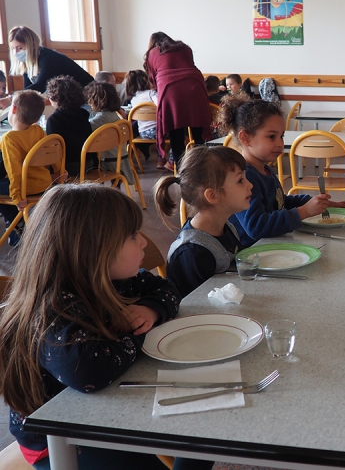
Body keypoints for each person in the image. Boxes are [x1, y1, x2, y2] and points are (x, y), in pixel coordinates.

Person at [0, 184, 213, 470]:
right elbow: (91, 372)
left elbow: (166, 287)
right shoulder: (52, 311)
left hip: (104, 412)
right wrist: (141, 332)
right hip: (63, 440)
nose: (144, 244)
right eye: (133, 236)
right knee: (202, 434)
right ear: (93, 249)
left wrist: (150, 309)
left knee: (205, 423)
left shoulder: (108, 279)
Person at [217, 92, 345, 247]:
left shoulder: (264, 170)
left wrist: (318, 204)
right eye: (272, 137)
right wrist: (304, 212)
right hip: (250, 254)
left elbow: (279, 203)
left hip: (269, 245)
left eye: (282, 136)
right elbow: (256, 227)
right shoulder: (245, 177)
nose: (280, 143)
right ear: (245, 138)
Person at [154, 146, 251, 298]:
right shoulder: (192, 252)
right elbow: (197, 308)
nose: (250, 185)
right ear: (212, 195)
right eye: (240, 180)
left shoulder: (226, 226)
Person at [143, 32, 211, 169]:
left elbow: (153, 77)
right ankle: (201, 169)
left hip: (170, 89)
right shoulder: (184, 47)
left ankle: (180, 170)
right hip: (195, 86)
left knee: (175, 130)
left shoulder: (153, 52)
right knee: (197, 131)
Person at [0, 26, 93, 108]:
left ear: (32, 45)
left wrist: (10, 99)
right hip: (71, 102)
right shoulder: (26, 64)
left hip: (88, 99)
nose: (16, 52)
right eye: (13, 48)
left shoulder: (48, 58)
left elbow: (40, 85)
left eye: (20, 48)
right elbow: (28, 90)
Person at [0, 91, 49, 246]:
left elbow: (14, 173)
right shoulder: (38, 130)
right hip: (45, 183)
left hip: (26, 190)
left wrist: (17, 197)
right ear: (36, 118)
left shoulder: (8, 139)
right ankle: (20, 222)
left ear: (13, 109)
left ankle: (16, 225)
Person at [85, 81, 134, 184]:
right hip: (121, 157)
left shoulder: (101, 118)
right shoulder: (115, 114)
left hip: (108, 160)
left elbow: (85, 129)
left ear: (95, 100)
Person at [44, 75, 93, 178]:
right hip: (89, 163)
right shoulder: (83, 114)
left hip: (69, 167)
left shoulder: (54, 120)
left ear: (55, 98)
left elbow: (53, 150)